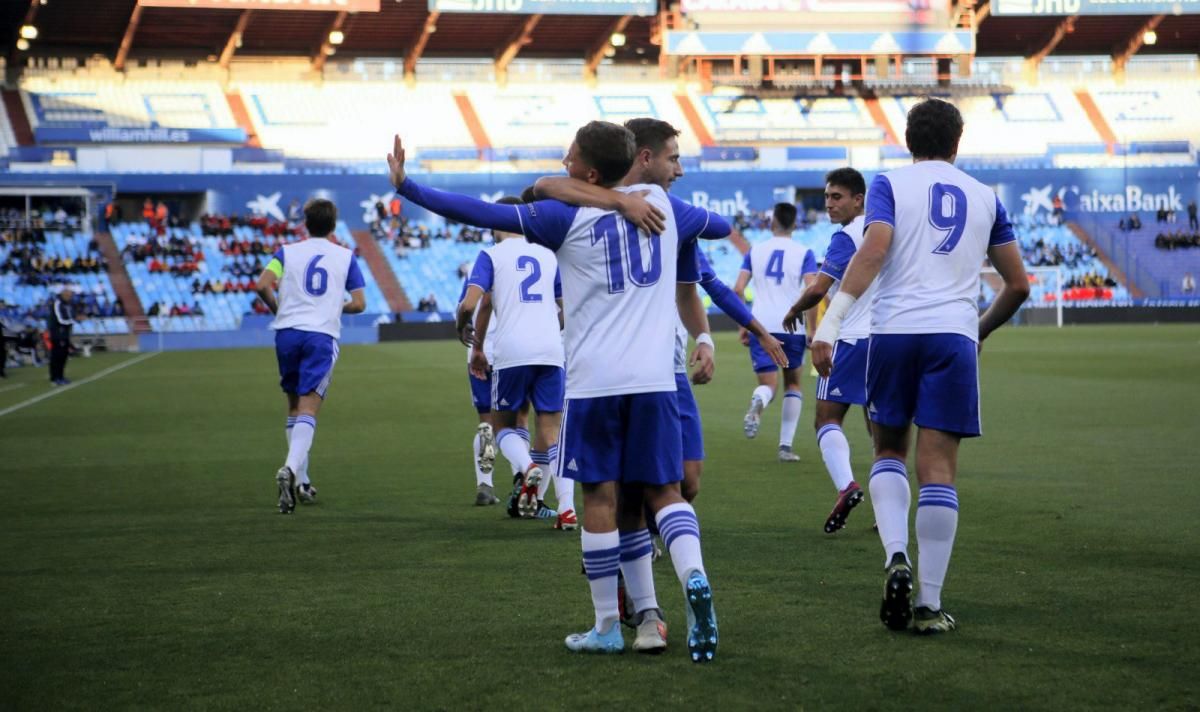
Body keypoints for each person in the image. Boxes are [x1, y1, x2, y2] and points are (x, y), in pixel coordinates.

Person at [388, 122, 720, 662]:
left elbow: (482, 211)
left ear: (589, 170)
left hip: (593, 383)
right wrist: (625, 199)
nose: (562, 160)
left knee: (601, 500)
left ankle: (608, 625)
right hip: (658, 381)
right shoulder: (664, 204)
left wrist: (409, 188)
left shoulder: (562, 218)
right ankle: (683, 589)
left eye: (570, 155)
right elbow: (722, 226)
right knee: (661, 493)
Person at [811, 98, 1030, 635]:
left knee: (888, 450)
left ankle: (894, 556)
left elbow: (875, 249)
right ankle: (930, 605)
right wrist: (976, 329)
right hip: (951, 336)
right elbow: (1019, 284)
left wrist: (831, 321)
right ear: (958, 142)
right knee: (939, 470)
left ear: (908, 140)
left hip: (893, 333)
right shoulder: (985, 196)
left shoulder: (889, 183)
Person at [530, 117, 786, 508]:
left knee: (689, 479)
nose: (680, 170)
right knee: (618, 484)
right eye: (674, 159)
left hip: (668, 368)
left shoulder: (665, 215)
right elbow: (541, 196)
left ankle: (634, 542)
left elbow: (700, 284)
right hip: (614, 367)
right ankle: (625, 550)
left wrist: (709, 338)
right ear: (645, 158)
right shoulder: (588, 213)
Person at [457, 195, 573, 525]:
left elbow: (471, 305)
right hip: (552, 351)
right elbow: (564, 308)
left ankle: (525, 469)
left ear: (496, 223)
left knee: (502, 424)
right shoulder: (548, 256)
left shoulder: (490, 255)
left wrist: (463, 330)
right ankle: (567, 508)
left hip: (511, 351)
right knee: (552, 431)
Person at [255, 198, 367, 514]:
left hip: (287, 333)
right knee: (309, 407)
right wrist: (331, 307)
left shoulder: (286, 252)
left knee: (293, 406)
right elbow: (359, 303)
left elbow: (262, 284)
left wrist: (281, 310)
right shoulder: (346, 257)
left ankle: (302, 481)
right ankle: (290, 469)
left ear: (306, 223)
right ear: (334, 225)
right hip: (320, 336)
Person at [782, 167, 871, 534]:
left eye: (837, 197)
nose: (829, 204)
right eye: (827, 197)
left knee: (826, 418)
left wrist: (794, 309)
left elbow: (820, 288)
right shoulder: (885, 231)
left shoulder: (846, 236)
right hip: (889, 340)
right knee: (882, 435)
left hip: (852, 339)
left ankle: (846, 485)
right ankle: (888, 517)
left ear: (858, 199)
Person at [733, 203, 818, 461]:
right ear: (794, 224)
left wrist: (743, 325)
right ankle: (785, 447)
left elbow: (737, 289)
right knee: (793, 383)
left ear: (771, 224)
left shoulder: (755, 251)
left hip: (761, 325)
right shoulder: (804, 252)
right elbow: (812, 290)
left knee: (768, 385)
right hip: (791, 326)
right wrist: (812, 329)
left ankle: (759, 401)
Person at [48, 287, 76, 385]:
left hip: (65, 335)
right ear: (64, 294)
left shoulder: (68, 305)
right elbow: (60, 320)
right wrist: (74, 320)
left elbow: (71, 316)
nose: (71, 297)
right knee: (57, 356)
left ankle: (61, 376)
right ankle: (54, 378)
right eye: (69, 295)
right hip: (57, 334)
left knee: (63, 356)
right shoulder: (57, 303)